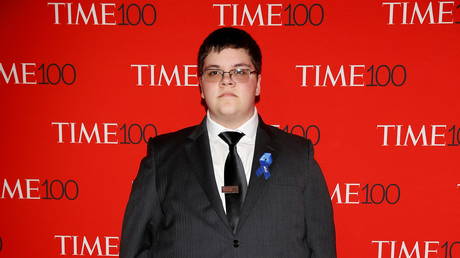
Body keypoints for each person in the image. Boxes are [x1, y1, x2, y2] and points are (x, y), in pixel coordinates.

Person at [120, 27, 336, 258]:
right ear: (201, 86)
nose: (227, 81)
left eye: (240, 71)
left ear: (258, 83)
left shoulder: (299, 156)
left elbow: (321, 248)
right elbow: (135, 248)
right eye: (214, 73)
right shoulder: (162, 157)